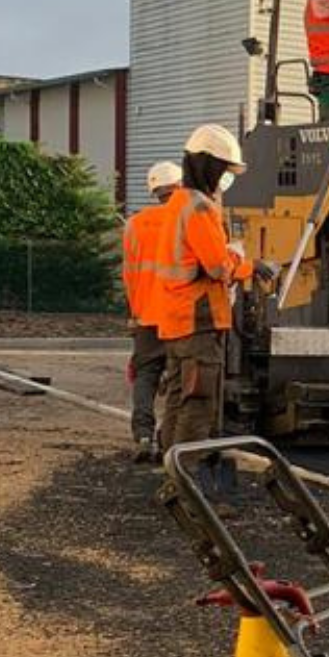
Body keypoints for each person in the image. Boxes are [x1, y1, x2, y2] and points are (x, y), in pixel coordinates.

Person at [154, 124, 276, 500]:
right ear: (208, 165)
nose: (225, 177)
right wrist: (251, 266)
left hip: (177, 321)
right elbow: (218, 266)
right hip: (199, 320)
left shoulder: (178, 203)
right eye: (223, 169)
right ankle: (187, 491)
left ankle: (173, 478)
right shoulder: (199, 208)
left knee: (178, 398)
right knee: (198, 404)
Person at [121, 159, 182, 463]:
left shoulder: (134, 224)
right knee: (179, 378)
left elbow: (129, 276)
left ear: (154, 190)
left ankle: (143, 436)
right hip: (179, 316)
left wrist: (133, 314)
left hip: (145, 315)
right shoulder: (186, 219)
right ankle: (168, 439)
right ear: (179, 186)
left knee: (145, 377)